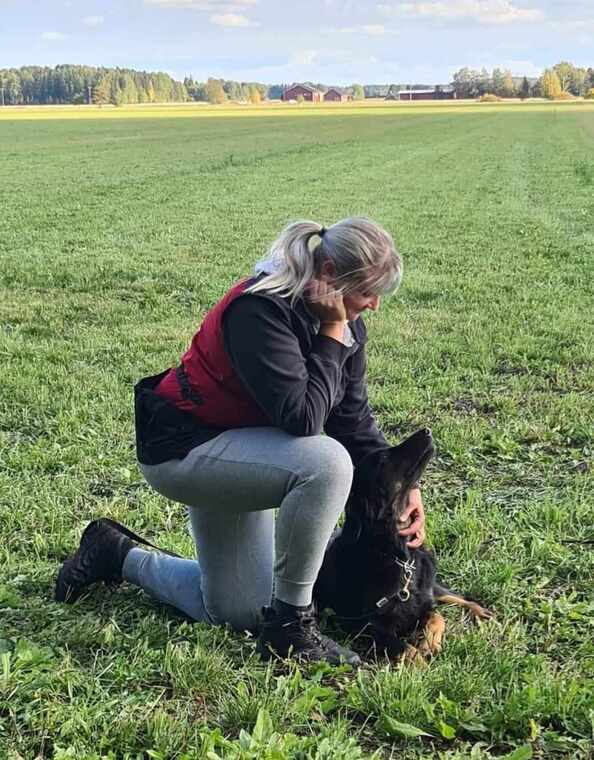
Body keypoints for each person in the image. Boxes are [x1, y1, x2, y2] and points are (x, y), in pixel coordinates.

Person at [55, 217, 426, 667]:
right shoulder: (259, 310)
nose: (375, 305)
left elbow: (353, 419)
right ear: (330, 273)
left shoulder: (346, 323)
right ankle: (291, 628)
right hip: (185, 450)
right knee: (327, 463)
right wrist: (331, 333)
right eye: (368, 291)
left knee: (239, 610)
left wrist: (402, 487)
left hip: (247, 449)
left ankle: (114, 553)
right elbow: (305, 419)